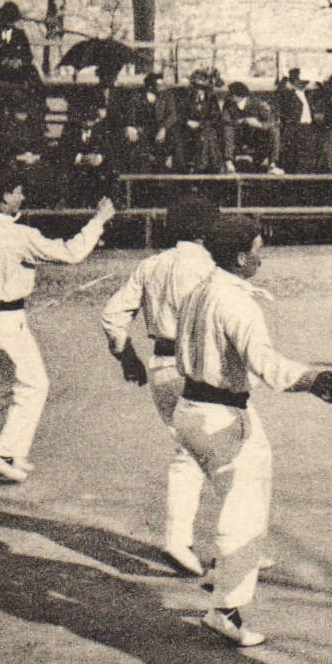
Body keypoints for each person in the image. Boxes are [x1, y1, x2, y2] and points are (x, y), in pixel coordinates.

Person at [172, 215, 332, 647]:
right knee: (245, 508)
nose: (260, 259)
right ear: (239, 258)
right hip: (222, 416)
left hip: (191, 407)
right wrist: (314, 379)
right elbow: (266, 364)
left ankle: (224, 577)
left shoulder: (200, 289)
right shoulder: (236, 302)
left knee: (243, 492)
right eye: (256, 251)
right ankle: (225, 608)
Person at [0, 178, 116, 482]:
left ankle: (0, 453)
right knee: (33, 386)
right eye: (17, 191)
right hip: (5, 320)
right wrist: (98, 221)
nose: (23, 196)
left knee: (6, 387)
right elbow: (71, 253)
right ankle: (4, 455)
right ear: (4, 196)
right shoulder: (18, 235)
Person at [99, 194, 221, 575]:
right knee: (222, 449)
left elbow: (112, 314)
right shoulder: (212, 268)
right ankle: (207, 540)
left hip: (160, 365)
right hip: (198, 365)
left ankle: (212, 539)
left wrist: (126, 355)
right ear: (205, 230)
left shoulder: (151, 265)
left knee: (196, 450)